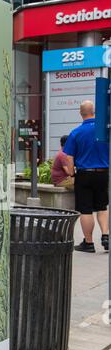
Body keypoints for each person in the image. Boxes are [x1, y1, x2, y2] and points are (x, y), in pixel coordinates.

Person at [64, 100, 109, 253]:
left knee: (86, 209)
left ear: (80, 113)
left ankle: (88, 243)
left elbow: (69, 158)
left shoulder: (76, 132)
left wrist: (71, 173)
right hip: (103, 173)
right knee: (102, 206)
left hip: (84, 174)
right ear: (94, 112)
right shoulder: (104, 130)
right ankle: (105, 235)